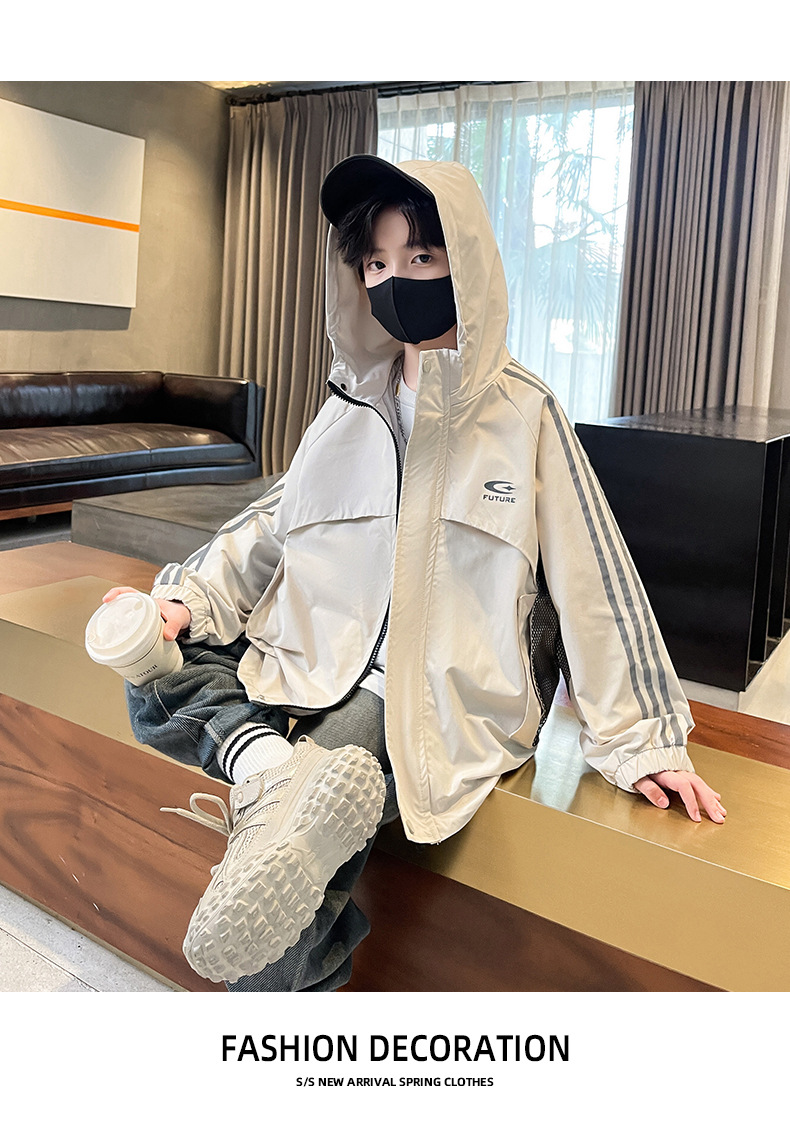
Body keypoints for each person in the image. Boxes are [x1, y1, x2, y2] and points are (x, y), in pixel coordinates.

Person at [104, 154, 725, 993]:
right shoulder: (346, 408)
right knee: (154, 664)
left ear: (464, 263)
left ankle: (278, 945)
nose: (394, 279)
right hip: (309, 658)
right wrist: (181, 601)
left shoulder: (526, 413)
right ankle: (269, 773)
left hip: (426, 695)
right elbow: (269, 527)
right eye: (376, 262)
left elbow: (597, 583)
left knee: (307, 820)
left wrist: (644, 738)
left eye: (421, 257)